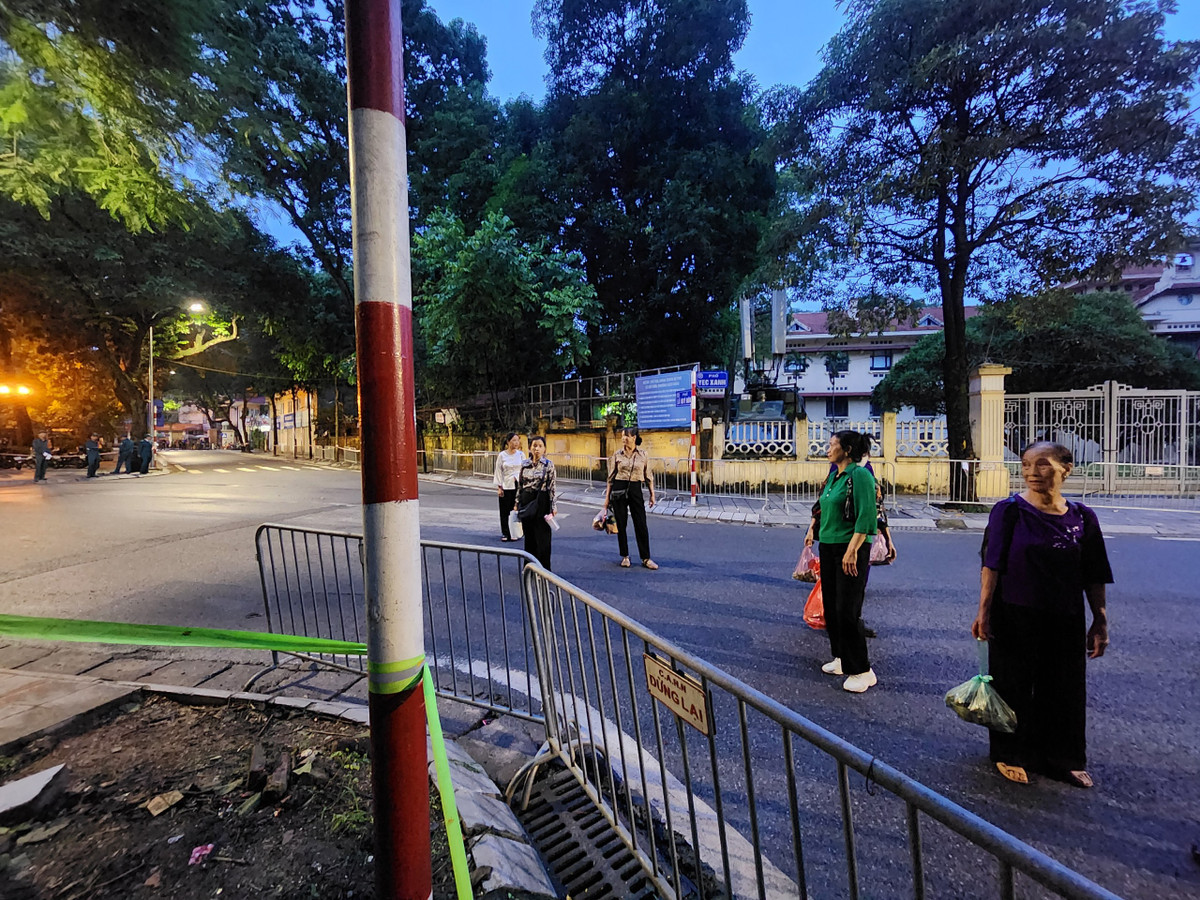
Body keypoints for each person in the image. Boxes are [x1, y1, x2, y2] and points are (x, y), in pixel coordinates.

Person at [971, 441, 1112, 788]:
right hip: (1014, 612)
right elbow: (992, 564)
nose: (1033, 472)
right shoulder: (1009, 511)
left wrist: (1100, 619)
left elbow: (1093, 573)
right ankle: (1008, 753)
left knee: (1064, 688)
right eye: (1026, 465)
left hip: (1065, 615)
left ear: (1067, 468)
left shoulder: (1083, 517)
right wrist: (983, 612)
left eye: (1043, 464)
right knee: (1013, 684)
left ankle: (1061, 758)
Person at [803, 430, 879, 692]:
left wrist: (852, 550)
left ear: (846, 450)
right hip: (829, 546)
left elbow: (868, 516)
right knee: (832, 609)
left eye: (832, 445)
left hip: (851, 548)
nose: (827, 449)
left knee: (848, 610)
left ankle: (862, 670)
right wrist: (813, 529)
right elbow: (823, 507)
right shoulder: (834, 477)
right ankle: (842, 658)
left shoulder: (860, 475)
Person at [602, 427, 658, 569]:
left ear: (634, 438)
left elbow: (648, 476)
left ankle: (646, 558)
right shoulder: (616, 455)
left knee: (641, 524)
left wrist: (652, 494)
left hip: (635, 489)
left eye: (627, 436)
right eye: (622, 436)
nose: (624, 439)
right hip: (619, 490)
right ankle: (625, 556)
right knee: (621, 524)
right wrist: (606, 499)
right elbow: (610, 478)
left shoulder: (643, 454)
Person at [517, 436, 557, 570]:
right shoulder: (524, 464)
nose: (537, 448)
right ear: (530, 448)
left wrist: (553, 506)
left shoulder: (548, 465)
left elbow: (552, 487)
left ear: (545, 449)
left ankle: (544, 569)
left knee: (543, 537)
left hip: (542, 501)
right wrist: (517, 503)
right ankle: (530, 567)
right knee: (529, 536)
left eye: (540, 446)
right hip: (527, 500)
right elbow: (520, 485)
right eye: (534, 446)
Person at [493, 432, 526, 542]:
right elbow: (498, 471)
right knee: (505, 511)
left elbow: (525, 470)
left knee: (516, 510)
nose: (516, 443)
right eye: (514, 440)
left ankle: (515, 532)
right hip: (506, 485)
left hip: (518, 485)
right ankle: (505, 533)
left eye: (517, 440)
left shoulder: (521, 455)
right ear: (508, 442)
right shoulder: (502, 455)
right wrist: (499, 487)